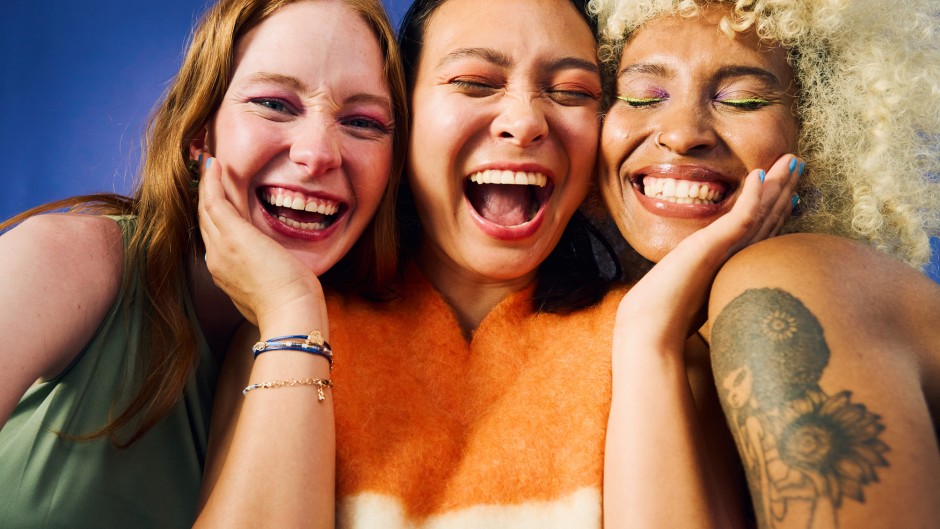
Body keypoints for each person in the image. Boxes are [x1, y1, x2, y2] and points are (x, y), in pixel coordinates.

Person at [200, 0, 797, 526]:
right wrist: (289, 318)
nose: (526, 121)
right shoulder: (286, 340)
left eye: (571, 92)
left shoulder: (670, 350)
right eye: (475, 82)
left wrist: (646, 339)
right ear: (401, 118)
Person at [0, 0, 407, 527]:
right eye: (275, 104)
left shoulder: (370, 355)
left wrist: (290, 308)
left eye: (361, 121)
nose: (318, 153)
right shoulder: (68, 260)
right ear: (200, 134)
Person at [590, 0, 940, 526]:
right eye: (641, 96)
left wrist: (646, 336)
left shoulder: (782, 283)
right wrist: (647, 336)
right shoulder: (651, 330)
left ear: (821, 133)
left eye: (743, 100)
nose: (683, 133)